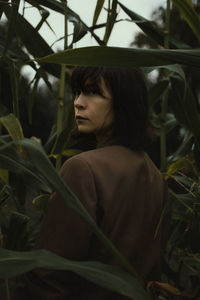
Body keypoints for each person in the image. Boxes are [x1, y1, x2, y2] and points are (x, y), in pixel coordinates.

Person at [13, 66, 169, 300]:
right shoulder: (156, 177)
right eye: (77, 92)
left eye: (93, 92)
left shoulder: (83, 169)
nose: (78, 102)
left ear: (124, 101)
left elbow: (47, 275)